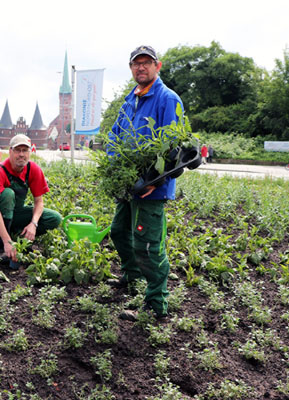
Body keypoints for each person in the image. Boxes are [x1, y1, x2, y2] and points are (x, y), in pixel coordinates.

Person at [107, 45, 185, 321]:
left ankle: (156, 305)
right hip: (128, 185)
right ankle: (131, 276)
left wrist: (153, 179)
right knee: (118, 231)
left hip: (152, 188)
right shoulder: (131, 99)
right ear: (131, 69)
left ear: (157, 66)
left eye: (146, 63)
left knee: (148, 246)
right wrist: (114, 166)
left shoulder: (167, 98)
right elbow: (114, 137)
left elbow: (172, 146)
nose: (141, 67)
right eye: (136, 64)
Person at [0, 134, 62, 262]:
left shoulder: (33, 169)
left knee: (54, 218)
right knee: (8, 194)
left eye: (25, 150)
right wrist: (6, 242)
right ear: (10, 151)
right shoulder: (0, 170)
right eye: (17, 150)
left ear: (29, 152)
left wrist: (33, 224)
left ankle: (19, 238)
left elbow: (39, 202)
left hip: (14, 212)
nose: (21, 154)